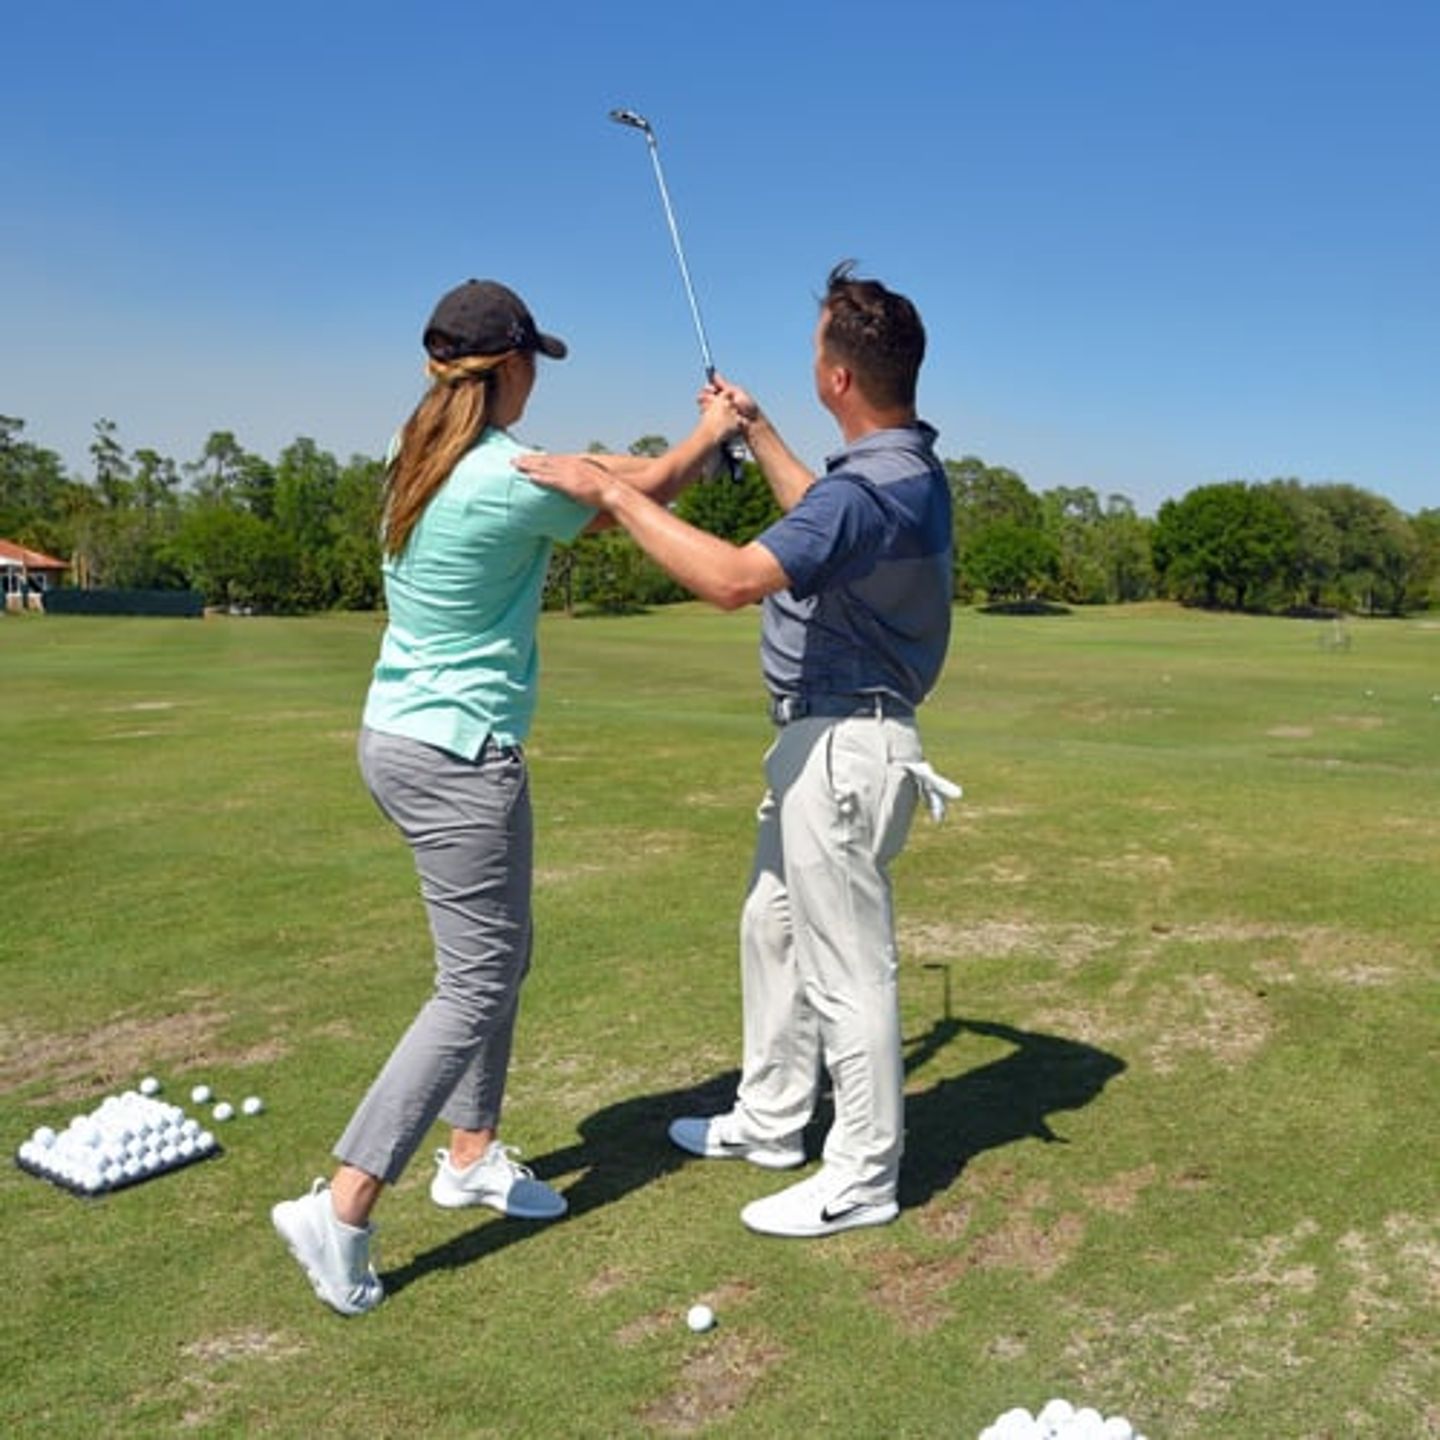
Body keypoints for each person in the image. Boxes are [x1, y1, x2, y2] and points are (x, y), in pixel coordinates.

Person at [272, 278, 733, 1314]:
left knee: (498, 956)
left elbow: (593, 471)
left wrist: (686, 447)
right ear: (511, 366)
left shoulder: (423, 453)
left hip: (401, 739)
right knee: (474, 984)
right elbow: (632, 493)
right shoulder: (499, 482)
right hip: (457, 758)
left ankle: (471, 1153)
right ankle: (342, 1206)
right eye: (536, 364)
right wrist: (710, 437)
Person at [517, 261, 959, 1239]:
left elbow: (730, 580)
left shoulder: (864, 491)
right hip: (833, 739)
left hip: (845, 744)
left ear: (836, 377)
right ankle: (771, 1117)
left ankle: (863, 1175)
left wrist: (616, 494)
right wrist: (753, 431)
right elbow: (819, 516)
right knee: (772, 925)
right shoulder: (902, 471)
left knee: (848, 968)